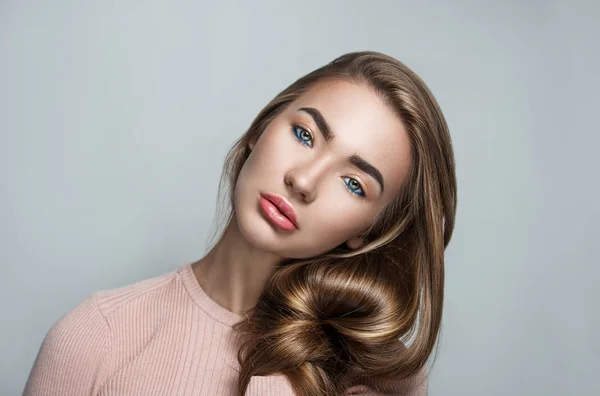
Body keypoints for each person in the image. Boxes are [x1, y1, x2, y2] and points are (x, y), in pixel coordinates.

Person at [23, 50, 457, 396]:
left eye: (353, 183)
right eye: (304, 135)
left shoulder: (380, 375)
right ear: (261, 129)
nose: (303, 180)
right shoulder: (97, 336)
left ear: (367, 231)